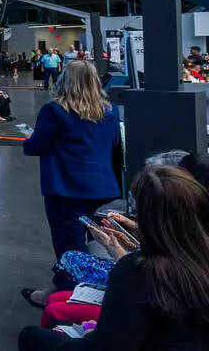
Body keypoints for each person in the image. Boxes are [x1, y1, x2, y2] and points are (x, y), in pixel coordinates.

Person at [18, 165, 209, 350]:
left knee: (32, 335)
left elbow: (104, 345)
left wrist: (115, 249)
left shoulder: (138, 272)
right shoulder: (193, 257)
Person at [23, 59, 122, 262]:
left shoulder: (54, 111)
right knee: (100, 244)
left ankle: (67, 289)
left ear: (64, 81)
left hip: (66, 189)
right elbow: (113, 146)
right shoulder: (111, 111)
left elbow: (36, 147)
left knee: (69, 248)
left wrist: (28, 140)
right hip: (102, 188)